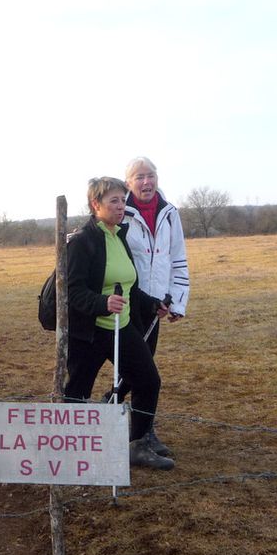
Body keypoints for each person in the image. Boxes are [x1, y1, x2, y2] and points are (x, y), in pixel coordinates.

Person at [63, 176, 172, 471]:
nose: (121, 206)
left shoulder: (120, 236)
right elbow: (72, 291)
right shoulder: (82, 242)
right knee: (77, 392)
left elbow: (128, 286)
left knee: (148, 380)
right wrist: (102, 303)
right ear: (95, 204)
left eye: (123, 200)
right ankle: (69, 450)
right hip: (89, 332)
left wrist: (151, 303)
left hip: (121, 327)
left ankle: (137, 445)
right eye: (114, 201)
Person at [116, 157, 190, 458]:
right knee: (136, 371)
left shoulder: (169, 214)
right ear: (128, 183)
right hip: (125, 303)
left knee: (140, 370)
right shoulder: (120, 211)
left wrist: (176, 300)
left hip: (155, 307)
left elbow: (177, 258)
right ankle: (127, 427)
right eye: (139, 177)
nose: (146, 182)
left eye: (150, 176)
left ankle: (140, 433)